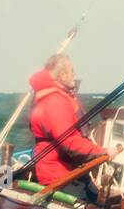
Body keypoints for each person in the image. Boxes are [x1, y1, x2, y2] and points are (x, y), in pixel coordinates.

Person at [28, 54, 106, 188]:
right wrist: (102, 151)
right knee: (96, 205)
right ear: (63, 75)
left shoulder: (54, 96)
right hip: (58, 176)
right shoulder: (54, 102)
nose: (74, 75)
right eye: (72, 71)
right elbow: (69, 142)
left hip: (70, 170)